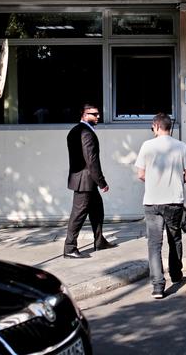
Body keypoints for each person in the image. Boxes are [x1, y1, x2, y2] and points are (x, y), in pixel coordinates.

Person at [135, 113, 186, 299]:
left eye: (153, 127)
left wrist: (155, 181)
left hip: (152, 201)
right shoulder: (181, 146)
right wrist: (175, 181)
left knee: (154, 244)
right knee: (174, 239)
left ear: (156, 126)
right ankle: (176, 275)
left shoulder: (146, 146)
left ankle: (158, 286)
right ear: (169, 127)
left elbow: (141, 175)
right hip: (174, 201)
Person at [63, 104, 116, 259]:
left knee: (97, 210)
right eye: (94, 114)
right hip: (85, 181)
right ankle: (69, 248)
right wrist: (102, 182)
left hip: (85, 180)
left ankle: (99, 241)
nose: (98, 116)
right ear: (84, 115)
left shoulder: (74, 131)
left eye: (98, 114)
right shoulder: (86, 133)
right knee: (78, 215)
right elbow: (91, 161)